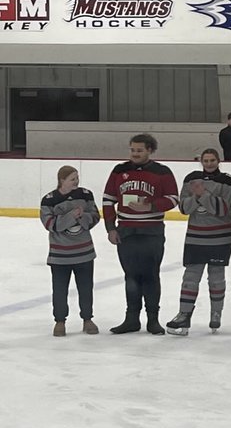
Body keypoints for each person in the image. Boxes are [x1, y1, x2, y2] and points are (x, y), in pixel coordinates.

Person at [103, 133, 180, 335]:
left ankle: (153, 319)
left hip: (152, 231)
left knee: (151, 275)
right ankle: (131, 319)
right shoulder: (120, 171)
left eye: (139, 150)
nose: (135, 154)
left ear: (149, 150)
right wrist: (110, 228)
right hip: (126, 231)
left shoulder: (162, 172)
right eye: (132, 150)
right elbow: (108, 199)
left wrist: (150, 206)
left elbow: (173, 199)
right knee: (131, 276)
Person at [166, 148, 231, 335]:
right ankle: (184, 314)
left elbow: (223, 209)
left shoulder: (227, 180)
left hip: (220, 238)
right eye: (206, 160)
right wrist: (199, 197)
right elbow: (183, 208)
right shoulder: (191, 178)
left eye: (212, 160)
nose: (209, 163)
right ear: (201, 161)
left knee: (216, 277)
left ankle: (216, 314)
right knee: (190, 277)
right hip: (196, 237)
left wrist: (200, 195)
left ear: (219, 160)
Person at [40, 165, 101, 336]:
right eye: (72, 178)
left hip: (85, 253)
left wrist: (83, 216)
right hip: (60, 256)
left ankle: (87, 319)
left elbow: (95, 216)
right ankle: (60, 321)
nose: (77, 181)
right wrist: (71, 216)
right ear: (62, 180)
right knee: (59, 289)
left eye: (77, 177)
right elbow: (50, 225)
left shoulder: (86, 194)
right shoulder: (49, 200)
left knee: (86, 287)